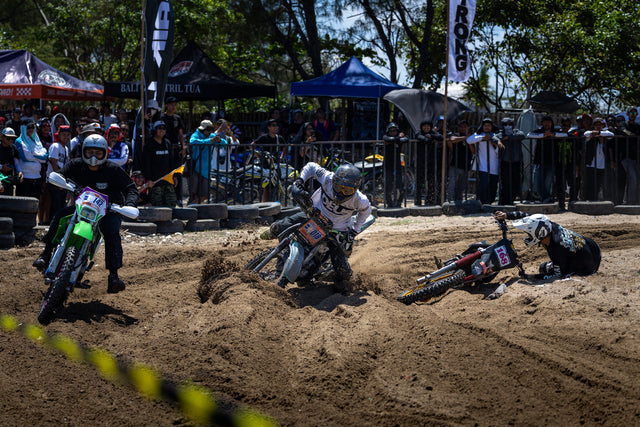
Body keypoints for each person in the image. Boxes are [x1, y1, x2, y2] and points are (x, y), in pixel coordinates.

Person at [33, 134, 139, 293]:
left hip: (108, 210)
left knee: (111, 231)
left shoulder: (113, 169)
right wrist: (59, 181)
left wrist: (129, 204)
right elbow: (61, 174)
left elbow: (131, 188)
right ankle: (46, 253)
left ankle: (113, 276)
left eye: (98, 153)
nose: (93, 157)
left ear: (105, 153)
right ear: (83, 152)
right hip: (82, 207)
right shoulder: (76, 164)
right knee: (60, 215)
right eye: (90, 152)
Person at [263, 162, 372, 287]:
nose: (341, 193)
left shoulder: (361, 200)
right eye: (338, 187)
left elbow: (366, 211)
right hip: (313, 216)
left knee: (343, 273)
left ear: (355, 189)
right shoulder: (327, 178)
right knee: (278, 228)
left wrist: (353, 231)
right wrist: (300, 181)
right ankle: (279, 269)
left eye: (347, 190)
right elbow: (311, 166)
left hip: (335, 230)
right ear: (333, 181)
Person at [494, 210, 601, 280]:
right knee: (545, 267)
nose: (528, 236)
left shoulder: (556, 248)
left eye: (529, 234)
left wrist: (530, 277)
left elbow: (556, 275)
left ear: (539, 233)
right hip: (593, 248)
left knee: (546, 269)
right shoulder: (547, 225)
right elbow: (527, 217)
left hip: (588, 267)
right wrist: (506, 215)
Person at [527, 115, 567, 203]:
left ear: (552, 123)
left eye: (549, 122)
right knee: (537, 182)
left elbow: (565, 134)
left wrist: (553, 135)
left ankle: (546, 198)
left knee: (548, 183)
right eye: (545, 122)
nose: (547, 124)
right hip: (539, 160)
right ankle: (543, 198)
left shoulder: (555, 131)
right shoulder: (539, 131)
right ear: (542, 123)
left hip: (551, 161)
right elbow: (529, 135)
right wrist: (543, 135)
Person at [466, 118, 503, 205]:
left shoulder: (495, 136)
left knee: (493, 187)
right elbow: (469, 140)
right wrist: (483, 138)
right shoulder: (478, 135)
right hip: (482, 166)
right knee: (483, 185)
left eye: (489, 125)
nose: (487, 127)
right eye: (485, 125)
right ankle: (483, 204)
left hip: (494, 166)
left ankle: (490, 203)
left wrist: (494, 144)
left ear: (492, 127)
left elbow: (499, 150)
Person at [142, 121, 176, 207]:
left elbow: (171, 161)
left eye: (164, 128)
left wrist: (174, 176)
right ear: (154, 130)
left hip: (168, 181)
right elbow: (146, 163)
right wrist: (148, 179)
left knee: (172, 204)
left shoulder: (167, 143)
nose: (162, 130)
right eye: (159, 128)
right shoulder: (149, 144)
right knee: (157, 206)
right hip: (155, 182)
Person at [161, 96, 186, 205]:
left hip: (176, 149)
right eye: (171, 104)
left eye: (175, 105)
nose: (174, 107)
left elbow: (181, 134)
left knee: (178, 173)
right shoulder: (161, 117)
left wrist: (183, 147)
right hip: (165, 149)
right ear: (166, 105)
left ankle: (178, 198)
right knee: (166, 172)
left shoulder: (177, 118)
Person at [14, 120, 48, 199]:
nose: (31, 129)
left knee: (35, 203)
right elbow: (26, 157)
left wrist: (32, 153)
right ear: (23, 128)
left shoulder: (36, 141)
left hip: (37, 177)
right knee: (23, 203)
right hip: (25, 178)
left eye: (33, 127)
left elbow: (44, 158)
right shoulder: (19, 141)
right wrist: (38, 154)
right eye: (28, 127)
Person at [189, 119, 219, 204]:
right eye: (207, 130)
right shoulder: (196, 134)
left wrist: (219, 140)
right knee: (193, 193)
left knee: (205, 194)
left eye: (211, 130)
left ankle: (193, 205)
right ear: (202, 129)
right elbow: (192, 141)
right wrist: (209, 141)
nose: (209, 132)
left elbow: (224, 144)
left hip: (206, 170)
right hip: (195, 168)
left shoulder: (212, 136)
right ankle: (191, 207)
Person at [496, 117, 525, 205]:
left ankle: (511, 199)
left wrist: (508, 137)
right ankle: (504, 202)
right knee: (505, 183)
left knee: (517, 182)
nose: (508, 126)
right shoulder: (501, 134)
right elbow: (495, 137)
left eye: (509, 124)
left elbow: (522, 135)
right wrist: (499, 141)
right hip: (505, 161)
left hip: (517, 161)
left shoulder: (516, 132)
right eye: (505, 124)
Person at [415, 120, 443, 205]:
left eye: (428, 126)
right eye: (424, 126)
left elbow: (441, 137)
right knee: (419, 182)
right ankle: (418, 201)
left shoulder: (432, 132)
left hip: (431, 161)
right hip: (420, 161)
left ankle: (430, 200)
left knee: (431, 182)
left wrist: (431, 136)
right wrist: (431, 138)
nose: (426, 128)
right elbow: (422, 138)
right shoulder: (418, 132)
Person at [45, 125, 71, 217]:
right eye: (63, 135)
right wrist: (59, 181)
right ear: (59, 135)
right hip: (54, 180)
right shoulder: (55, 146)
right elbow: (54, 163)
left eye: (68, 135)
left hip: (62, 181)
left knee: (61, 204)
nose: (66, 137)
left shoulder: (66, 148)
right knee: (55, 204)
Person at [446, 120, 474, 203]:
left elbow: (473, 151)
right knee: (452, 185)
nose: (462, 128)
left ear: (468, 128)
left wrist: (469, 140)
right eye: (461, 126)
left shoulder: (472, 138)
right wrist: (466, 138)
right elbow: (451, 140)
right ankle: (449, 202)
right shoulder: (456, 135)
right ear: (458, 128)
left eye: (465, 127)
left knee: (461, 187)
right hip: (455, 164)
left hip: (466, 166)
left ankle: (459, 202)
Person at [382, 122, 408, 207]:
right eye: (391, 131)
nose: (393, 132)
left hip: (397, 165)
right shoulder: (386, 137)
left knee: (401, 185)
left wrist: (397, 139)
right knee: (388, 185)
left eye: (394, 130)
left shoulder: (399, 138)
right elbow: (388, 139)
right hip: (387, 165)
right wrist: (398, 138)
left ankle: (399, 203)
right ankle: (389, 204)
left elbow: (406, 139)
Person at [0, 127, 23, 195]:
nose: (10, 140)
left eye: (12, 138)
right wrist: (1, 167)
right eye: (8, 138)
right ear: (2, 137)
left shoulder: (13, 148)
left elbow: (16, 161)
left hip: (9, 178)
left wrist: (19, 171)